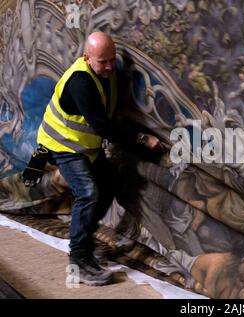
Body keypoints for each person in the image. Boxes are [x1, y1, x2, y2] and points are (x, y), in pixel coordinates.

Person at [35, 31, 160, 286]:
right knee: (88, 192)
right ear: (87, 58)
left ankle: (86, 241)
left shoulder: (106, 73)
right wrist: (142, 140)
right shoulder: (80, 83)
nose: (110, 66)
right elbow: (104, 127)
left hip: (84, 147)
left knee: (109, 180)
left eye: (112, 60)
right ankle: (79, 260)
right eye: (103, 61)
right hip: (63, 146)